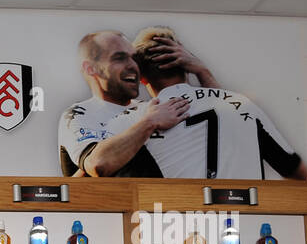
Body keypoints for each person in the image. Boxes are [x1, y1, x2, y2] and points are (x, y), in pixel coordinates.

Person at [129, 26, 307, 181]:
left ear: (142, 77)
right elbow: (296, 171)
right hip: (247, 217)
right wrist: (204, 71)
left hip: (178, 216)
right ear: (186, 63)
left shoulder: (136, 121)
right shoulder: (241, 105)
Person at [58, 30, 216, 178]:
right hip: (116, 205)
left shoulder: (153, 107)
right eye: (119, 58)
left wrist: (203, 72)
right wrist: (149, 123)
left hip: (165, 202)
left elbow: (220, 117)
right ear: (90, 68)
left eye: (134, 58)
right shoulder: (80, 113)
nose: (133, 66)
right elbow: (96, 165)